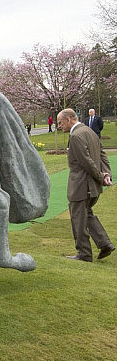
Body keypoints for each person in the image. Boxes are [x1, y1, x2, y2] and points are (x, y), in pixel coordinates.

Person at [57, 108, 114, 262]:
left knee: (78, 219)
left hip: (82, 186)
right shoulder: (89, 131)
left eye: (60, 122)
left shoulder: (76, 136)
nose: (59, 126)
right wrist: (106, 174)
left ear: (69, 120)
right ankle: (105, 244)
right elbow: (102, 154)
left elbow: (86, 162)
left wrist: (102, 176)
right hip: (92, 186)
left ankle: (84, 254)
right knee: (86, 214)